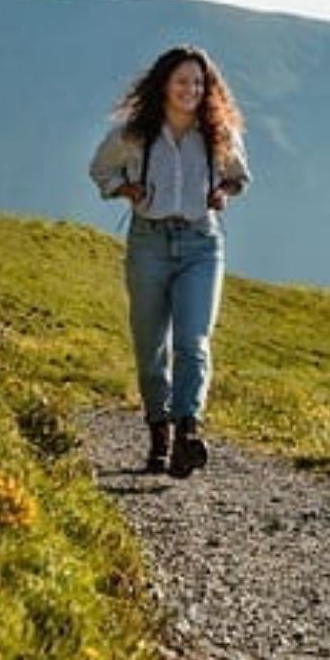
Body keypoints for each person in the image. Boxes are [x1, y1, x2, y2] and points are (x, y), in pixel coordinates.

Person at [88, 45, 251, 478]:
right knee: (150, 346)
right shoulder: (135, 132)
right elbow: (101, 170)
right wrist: (127, 190)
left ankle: (187, 431)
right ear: (164, 85)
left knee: (193, 342)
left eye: (198, 82)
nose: (191, 89)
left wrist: (224, 193)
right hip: (149, 243)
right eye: (182, 81)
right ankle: (158, 431)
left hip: (202, 242)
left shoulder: (218, 133)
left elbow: (239, 176)